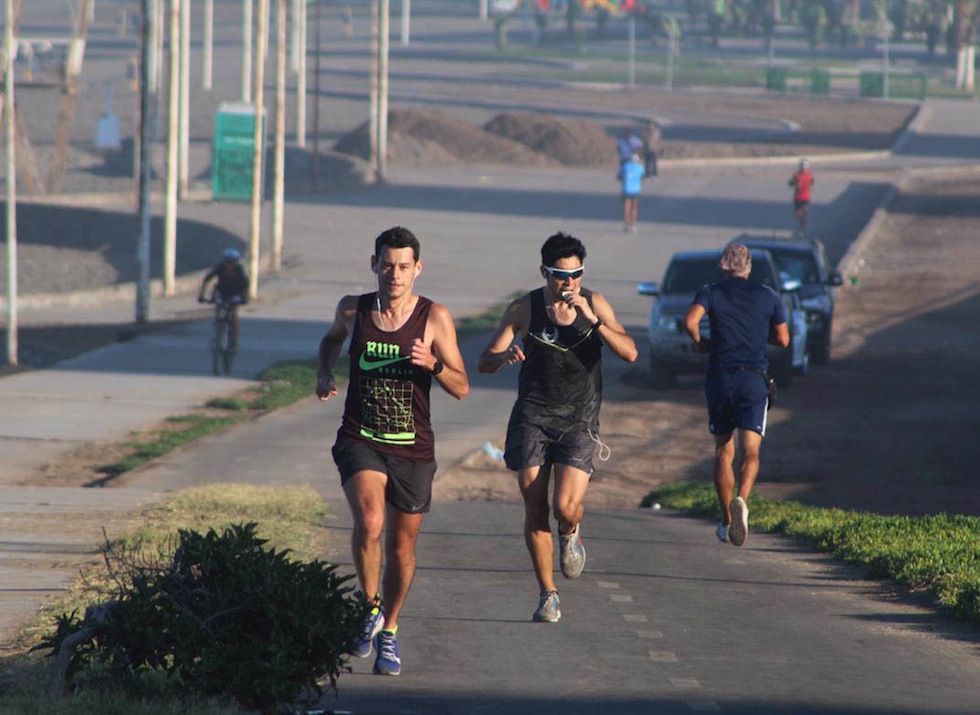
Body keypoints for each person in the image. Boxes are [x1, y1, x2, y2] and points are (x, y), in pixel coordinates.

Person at [315, 226, 469, 676]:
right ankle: (370, 608)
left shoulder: (435, 317)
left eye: (403, 266)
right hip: (360, 438)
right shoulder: (353, 308)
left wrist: (434, 364)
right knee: (370, 520)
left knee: (402, 549)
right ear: (374, 265)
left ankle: (390, 631)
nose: (394, 274)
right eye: (387, 265)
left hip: (413, 450)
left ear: (417, 269)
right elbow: (330, 341)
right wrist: (324, 373)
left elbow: (461, 387)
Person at [478, 232, 637, 623]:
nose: (569, 283)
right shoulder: (523, 309)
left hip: (579, 420)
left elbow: (630, 352)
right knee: (535, 505)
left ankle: (570, 533)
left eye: (576, 274)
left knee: (564, 507)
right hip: (533, 416)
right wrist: (504, 355)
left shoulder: (595, 303)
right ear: (544, 273)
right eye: (560, 275)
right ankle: (547, 594)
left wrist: (593, 320)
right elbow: (484, 360)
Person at [682, 242, 789, 547]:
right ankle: (742, 498)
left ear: (723, 266)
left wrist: (701, 343)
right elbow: (783, 339)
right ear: (749, 267)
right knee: (751, 451)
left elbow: (690, 322)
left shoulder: (711, 291)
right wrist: (758, 334)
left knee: (723, 451)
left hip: (720, 378)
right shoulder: (768, 295)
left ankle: (727, 521)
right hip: (753, 380)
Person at [198, 248, 249, 351]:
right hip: (222, 291)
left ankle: (234, 342)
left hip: (235, 292)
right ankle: (219, 328)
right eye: (227, 262)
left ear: (236, 262)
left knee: (233, 315)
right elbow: (206, 280)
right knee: (218, 306)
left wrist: (244, 298)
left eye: (232, 262)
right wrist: (201, 295)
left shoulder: (239, 270)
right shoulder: (220, 268)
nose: (229, 265)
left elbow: (245, 285)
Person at [617, 152, 646, 232]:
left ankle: (626, 224)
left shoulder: (625, 166)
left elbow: (619, 176)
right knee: (634, 207)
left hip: (626, 189)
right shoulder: (640, 167)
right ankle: (633, 225)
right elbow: (643, 177)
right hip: (636, 190)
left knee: (626, 207)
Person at [788, 158, 814, 237]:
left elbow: (812, 182)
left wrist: (809, 185)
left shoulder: (809, 175)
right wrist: (796, 184)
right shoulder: (796, 175)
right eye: (802, 167)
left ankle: (802, 230)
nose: (804, 169)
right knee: (798, 214)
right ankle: (800, 226)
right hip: (797, 198)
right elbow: (790, 183)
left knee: (804, 214)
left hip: (806, 198)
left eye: (805, 167)